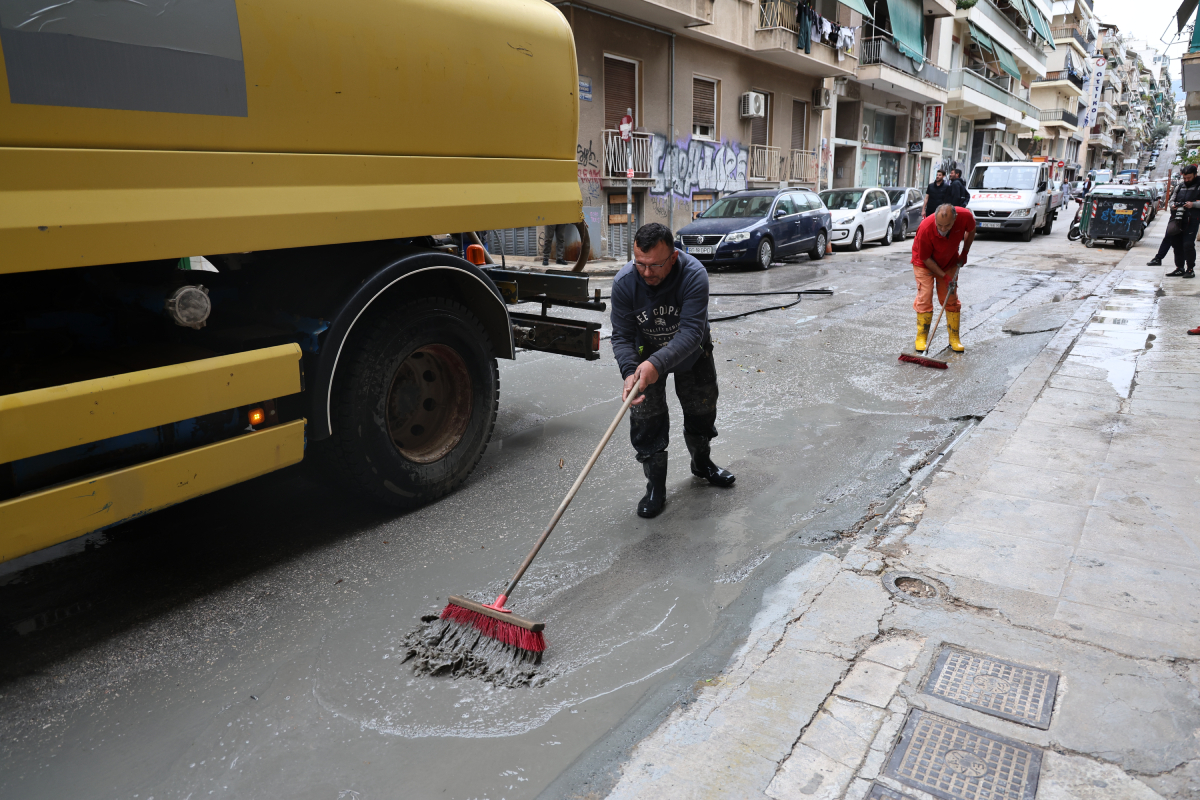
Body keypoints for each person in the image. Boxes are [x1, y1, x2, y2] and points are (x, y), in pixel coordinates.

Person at [610, 222, 735, 519]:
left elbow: (692, 333)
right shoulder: (625, 282)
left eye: (655, 265)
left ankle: (701, 463)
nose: (647, 272)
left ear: (674, 257)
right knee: (646, 422)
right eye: (640, 263)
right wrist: (630, 371)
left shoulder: (693, 275)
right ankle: (655, 487)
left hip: (692, 354)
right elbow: (622, 336)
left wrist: (657, 364)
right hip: (645, 357)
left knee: (702, 411)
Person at [911, 204, 976, 353]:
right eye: (939, 225)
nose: (943, 229)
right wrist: (944, 276)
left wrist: (965, 251)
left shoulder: (965, 216)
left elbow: (972, 230)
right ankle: (921, 337)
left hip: (949, 261)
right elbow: (926, 258)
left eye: (947, 226)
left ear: (955, 220)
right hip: (924, 262)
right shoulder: (925, 228)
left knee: (950, 298)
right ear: (934, 217)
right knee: (925, 296)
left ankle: (954, 338)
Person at [1148, 163, 1200, 278]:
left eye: (1189, 178)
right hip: (1176, 219)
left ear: (1195, 175)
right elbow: (1171, 201)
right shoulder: (1180, 186)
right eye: (1185, 178)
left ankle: (1190, 269)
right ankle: (1179, 268)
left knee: (1188, 244)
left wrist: (1194, 204)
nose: (1186, 180)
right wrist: (1173, 206)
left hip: (1192, 219)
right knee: (1176, 244)